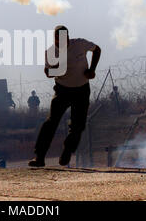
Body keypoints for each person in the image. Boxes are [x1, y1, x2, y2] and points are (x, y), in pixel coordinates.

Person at [29, 25, 101, 167]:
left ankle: (68, 151)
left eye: (64, 38)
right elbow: (48, 72)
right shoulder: (51, 52)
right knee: (51, 123)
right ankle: (40, 157)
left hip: (82, 90)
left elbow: (97, 50)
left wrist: (92, 69)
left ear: (68, 36)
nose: (62, 42)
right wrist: (56, 70)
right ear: (54, 39)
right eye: (58, 39)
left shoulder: (79, 44)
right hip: (62, 91)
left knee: (78, 125)